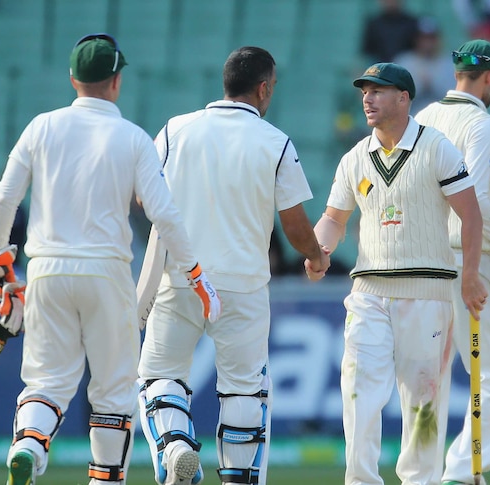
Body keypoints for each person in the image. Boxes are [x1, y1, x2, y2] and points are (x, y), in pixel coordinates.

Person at [0, 33, 221, 485]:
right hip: (107, 274)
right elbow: (164, 215)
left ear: (73, 78)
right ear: (116, 82)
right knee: (112, 393)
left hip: (47, 269)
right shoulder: (132, 138)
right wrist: (194, 272)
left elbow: (4, 198)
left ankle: (29, 446)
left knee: (46, 383)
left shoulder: (41, 126)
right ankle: (104, 479)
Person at [136, 46, 330, 485]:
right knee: (244, 389)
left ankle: (176, 447)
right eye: (273, 87)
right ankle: (238, 479)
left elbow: (144, 197)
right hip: (243, 285)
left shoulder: (175, 130)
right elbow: (295, 226)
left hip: (182, 276)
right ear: (263, 88)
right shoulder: (275, 141)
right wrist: (316, 256)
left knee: (159, 376)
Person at [308, 62, 487, 485]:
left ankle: (420, 480)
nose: (367, 98)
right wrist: (318, 249)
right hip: (368, 290)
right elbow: (334, 217)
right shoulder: (355, 157)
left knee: (423, 400)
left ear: (404, 98)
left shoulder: (436, 147)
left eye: (378, 91)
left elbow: (471, 214)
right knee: (358, 391)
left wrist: (472, 275)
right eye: (364, 91)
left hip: (427, 292)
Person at [413, 38, 490, 485]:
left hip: (423, 262)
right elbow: (474, 199)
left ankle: (421, 473)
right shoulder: (483, 124)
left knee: (429, 378)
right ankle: (463, 472)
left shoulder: (422, 116)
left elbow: (434, 182)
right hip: (467, 260)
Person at [393, 16, 456, 114]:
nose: (427, 43)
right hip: (412, 120)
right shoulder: (404, 62)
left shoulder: (450, 64)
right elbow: (395, 100)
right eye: (423, 38)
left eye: (431, 38)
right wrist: (419, 87)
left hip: (443, 120)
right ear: (416, 40)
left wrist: (433, 85)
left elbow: (455, 100)